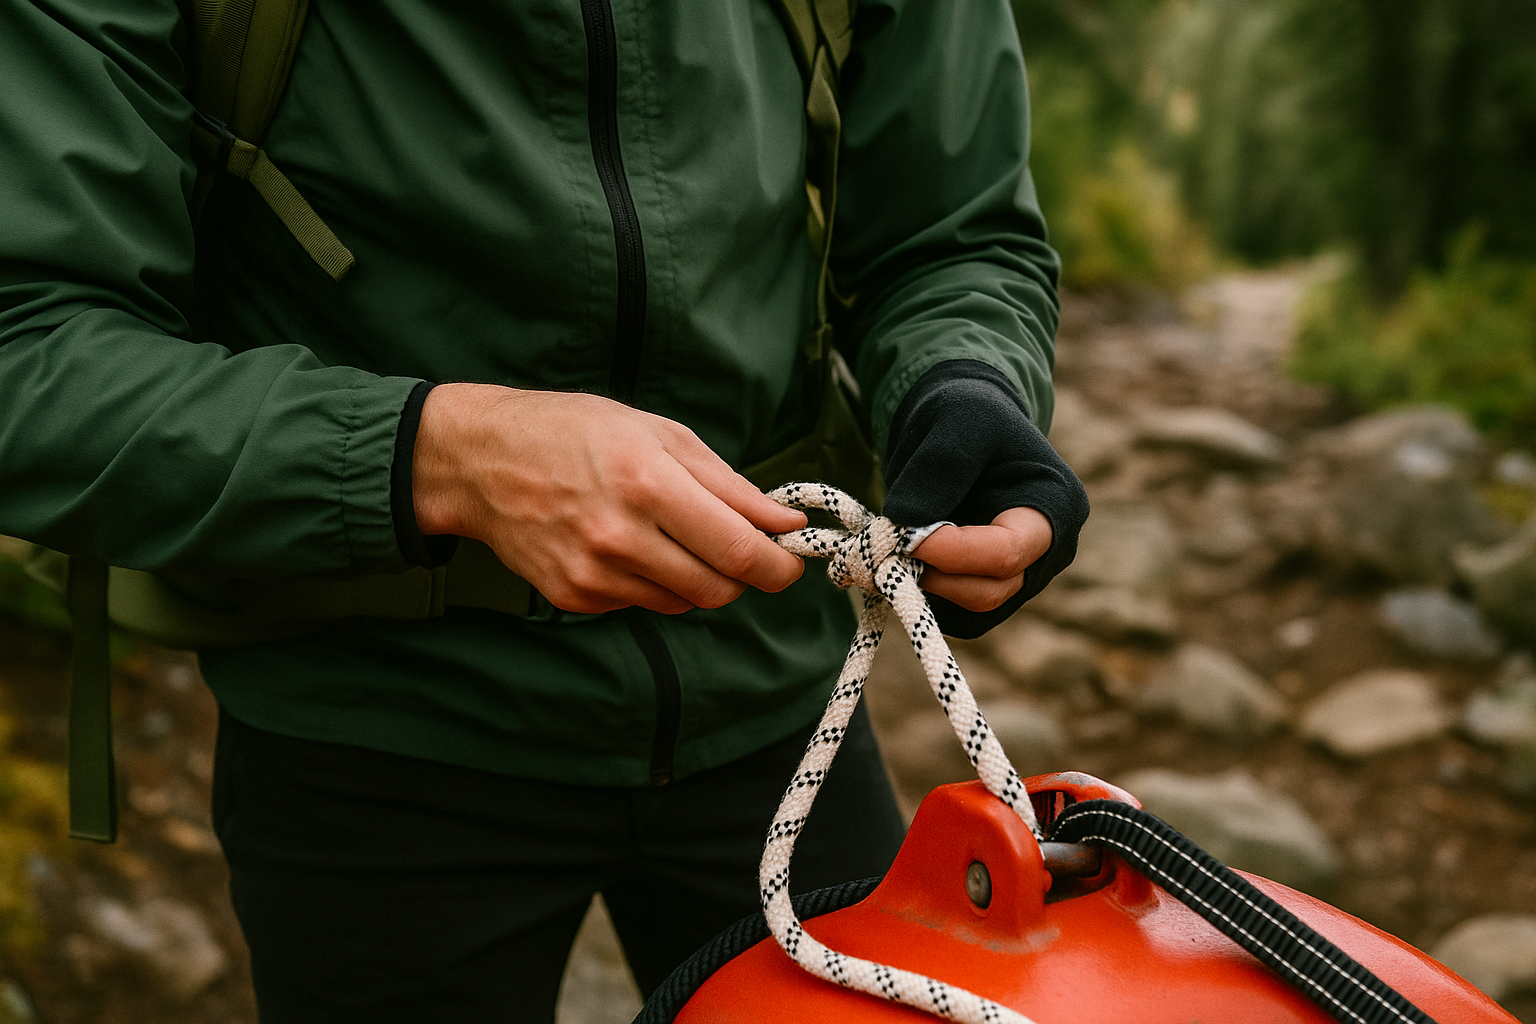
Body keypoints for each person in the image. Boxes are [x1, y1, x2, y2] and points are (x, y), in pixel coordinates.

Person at [0, 0, 1088, 1019]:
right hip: (373, 723)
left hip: (774, 697)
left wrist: (963, 384)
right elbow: (29, 345)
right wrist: (441, 458)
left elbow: (951, 232)